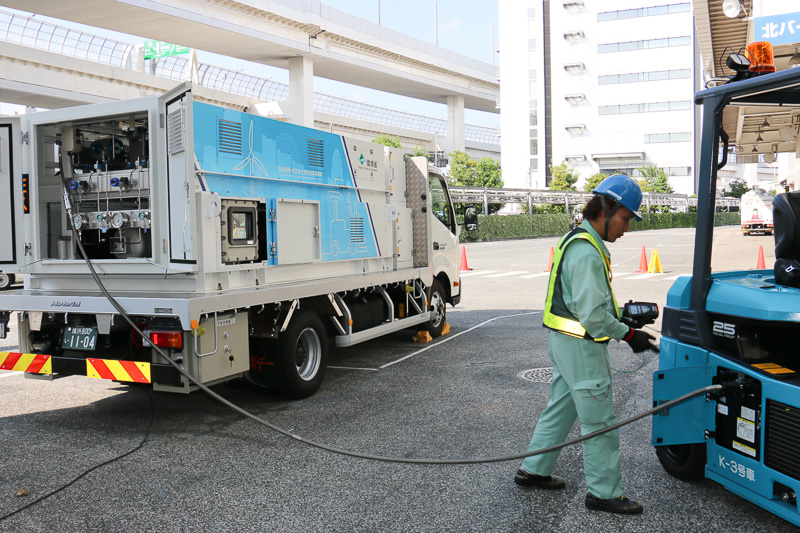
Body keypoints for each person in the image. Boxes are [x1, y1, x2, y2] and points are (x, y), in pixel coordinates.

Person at [514, 174, 659, 515]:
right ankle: (604, 492)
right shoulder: (588, 253)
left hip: (563, 342)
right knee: (600, 422)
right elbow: (593, 317)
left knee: (561, 407)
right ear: (606, 209)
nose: (627, 228)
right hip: (582, 347)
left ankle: (534, 469)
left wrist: (621, 317)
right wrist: (629, 335)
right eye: (625, 218)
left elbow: (580, 302)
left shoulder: (575, 240)